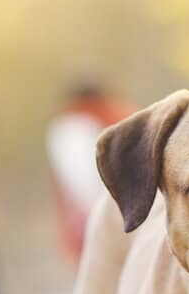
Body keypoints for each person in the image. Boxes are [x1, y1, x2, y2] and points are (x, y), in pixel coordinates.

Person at [46, 82, 135, 266]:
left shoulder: (70, 127)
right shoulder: (123, 116)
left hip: (105, 221)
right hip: (125, 218)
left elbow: (80, 182)